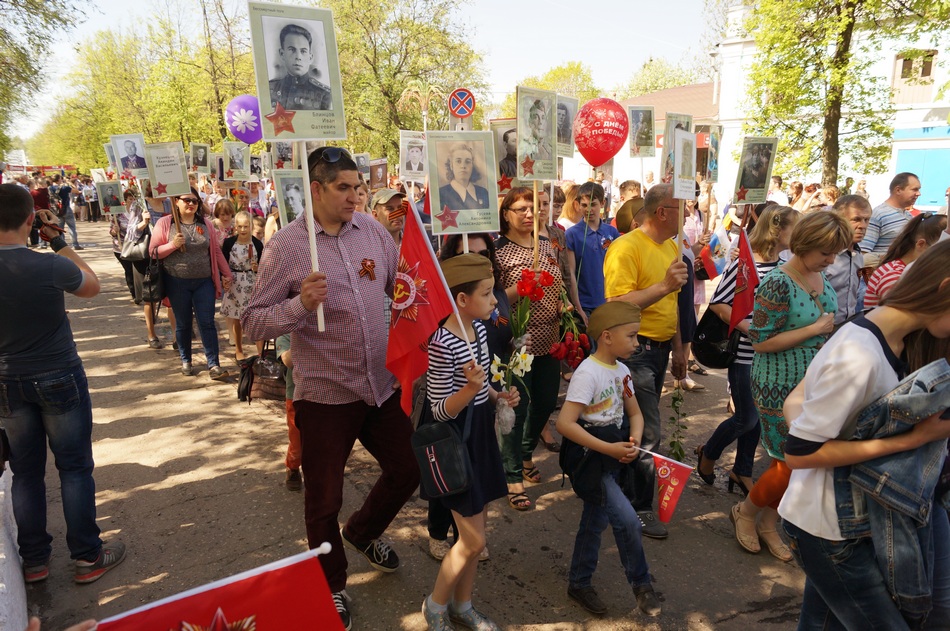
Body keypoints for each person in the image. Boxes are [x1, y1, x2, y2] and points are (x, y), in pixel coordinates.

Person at [242, 147, 420, 630]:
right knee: (323, 500)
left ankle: (362, 532)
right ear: (316, 189)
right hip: (324, 395)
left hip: (378, 385)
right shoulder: (287, 246)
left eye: (357, 187)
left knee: (408, 468)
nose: (355, 196)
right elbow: (254, 320)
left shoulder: (373, 232)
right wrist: (299, 304)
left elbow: (402, 286)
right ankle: (331, 583)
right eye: (344, 187)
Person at [779, 241, 950, 629]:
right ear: (944, 288)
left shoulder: (895, 337)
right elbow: (799, 453)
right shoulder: (860, 353)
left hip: (846, 520)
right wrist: (914, 439)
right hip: (827, 529)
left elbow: (803, 397)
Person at [0, 184, 127, 585]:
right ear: (30, 219)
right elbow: (92, 285)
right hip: (58, 374)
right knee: (74, 467)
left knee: (25, 472)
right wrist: (58, 241)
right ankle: (87, 556)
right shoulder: (50, 265)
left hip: (6, 381)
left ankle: (35, 561)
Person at [730, 211, 851, 562]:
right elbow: (760, 341)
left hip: (812, 382)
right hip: (777, 383)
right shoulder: (777, 282)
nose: (832, 260)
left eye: (835, 253)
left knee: (801, 461)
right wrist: (815, 330)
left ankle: (769, 524)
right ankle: (746, 513)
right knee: (789, 462)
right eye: (826, 252)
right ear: (805, 244)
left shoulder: (818, 275)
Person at [420, 254, 519, 631]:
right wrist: (470, 390)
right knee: (473, 541)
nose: (495, 300)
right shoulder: (442, 342)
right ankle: (435, 605)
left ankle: (463, 605)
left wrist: (497, 396)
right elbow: (438, 409)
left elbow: (481, 387)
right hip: (454, 444)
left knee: (478, 534)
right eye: (487, 293)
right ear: (462, 299)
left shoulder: (479, 329)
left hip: (479, 436)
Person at [556, 301, 661, 618]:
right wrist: (609, 449)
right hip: (592, 459)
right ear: (606, 336)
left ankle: (579, 581)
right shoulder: (587, 374)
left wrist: (634, 440)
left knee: (594, 520)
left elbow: (635, 414)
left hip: (614, 454)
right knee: (627, 520)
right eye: (631, 336)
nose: (637, 343)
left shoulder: (623, 371)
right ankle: (642, 585)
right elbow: (565, 424)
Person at [602, 183, 688, 539]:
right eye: (682, 208)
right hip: (634, 351)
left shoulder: (671, 246)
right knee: (647, 430)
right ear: (662, 212)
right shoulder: (625, 247)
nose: (688, 214)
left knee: (632, 425)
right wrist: (663, 286)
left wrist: (679, 348)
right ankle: (637, 507)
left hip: (661, 349)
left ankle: (613, 488)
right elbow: (616, 304)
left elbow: (674, 303)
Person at [695, 206, 799, 495]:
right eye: (795, 228)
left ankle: (741, 471)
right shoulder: (745, 264)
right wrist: (752, 329)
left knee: (759, 418)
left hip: (772, 356)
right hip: (744, 354)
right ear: (777, 230)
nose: (799, 235)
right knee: (746, 418)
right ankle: (708, 453)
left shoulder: (786, 266)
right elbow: (719, 303)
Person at [494, 187, 564, 511]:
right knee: (516, 409)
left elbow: (557, 283)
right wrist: (520, 287)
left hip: (550, 339)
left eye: (532, 208)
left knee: (546, 402)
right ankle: (512, 477)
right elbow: (493, 301)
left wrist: (563, 304)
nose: (528, 214)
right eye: (520, 208)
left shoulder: (545, 244)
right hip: (517, 343)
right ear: (505, 213)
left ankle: (524, 453)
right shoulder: (498, 251)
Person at [150, 187, 233, 380]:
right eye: (186, 200)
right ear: (176, 201)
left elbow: (216, 251)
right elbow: (153, 252)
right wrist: (172, 245)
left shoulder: (206, 224)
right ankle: (186, 360)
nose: (191, 204)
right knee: (184, 323)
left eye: (195, 201)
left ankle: (214, 364)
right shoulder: (166, 223)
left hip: (204, 282)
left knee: (207, 322)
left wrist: (227, 274)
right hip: (177, 281)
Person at [865, 213, 947, 308]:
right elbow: (909, 310)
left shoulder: (905, 270)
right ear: (921, 244)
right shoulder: (894, 274)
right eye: (940, 251)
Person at [566, 182, 620, 315]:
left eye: (593, 204)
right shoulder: (572, 234)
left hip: (608, 301)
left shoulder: (612, 232)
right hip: (584, 304)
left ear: (602, 203)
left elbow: (618, 269)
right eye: (584, 205)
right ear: (578, 205)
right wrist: (578, 307)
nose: (589, 209)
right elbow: (571, 273)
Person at [221, 211, 263, 363]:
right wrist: (224, 278)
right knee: (237, 317)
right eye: (240, 226)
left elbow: (264, 265)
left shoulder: (257, 244)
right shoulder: (229, 243)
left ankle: (261, 353)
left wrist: (257, 268)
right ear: (235, 227)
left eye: (246, 226)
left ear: (251, 226)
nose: (243, 229)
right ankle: (238, 349)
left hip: (252, 281)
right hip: (235, 281)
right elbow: (223, 263)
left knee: (256, 317)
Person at [824, 195, 872, 327]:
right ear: (838, 220)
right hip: (822, 329)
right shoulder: (824, 256)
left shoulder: (858, 256)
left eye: (866, 220)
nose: (863, 226)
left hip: (847, 326)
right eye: (856, 219)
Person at [860, 172, 922, 267]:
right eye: (914, 189)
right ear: (898, 190)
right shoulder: (878, 215)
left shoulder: (908, 215)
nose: (918, 193)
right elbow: (863, 254)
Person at [269, 23, 332, 111]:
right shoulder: (270, 88)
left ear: (310, 57)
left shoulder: (324, 94)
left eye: (303, 51)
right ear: (282, 54)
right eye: (292, 50)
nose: (298, 57)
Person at [439, 142, 490, 210]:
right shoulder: (441, 194)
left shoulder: (483, 192)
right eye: (458, 161)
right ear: (451, 165)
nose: (463, 166)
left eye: (467, 162)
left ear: (472, 166)